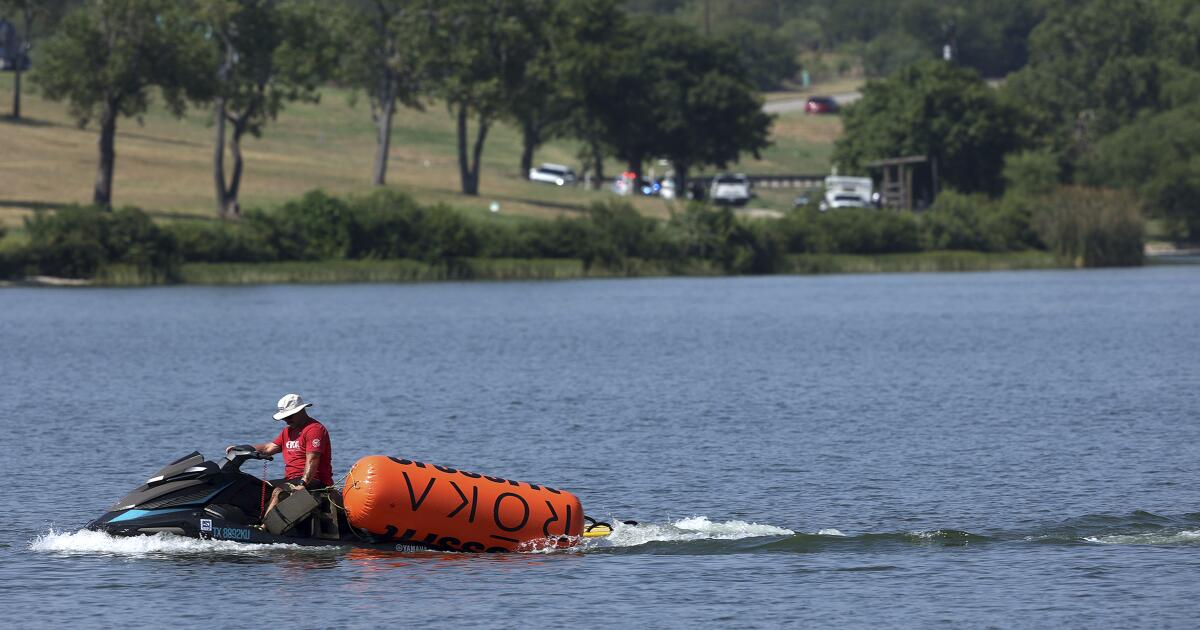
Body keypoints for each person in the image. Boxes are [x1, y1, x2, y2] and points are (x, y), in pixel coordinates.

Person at [227, 393, 334, 522]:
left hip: (314, 481)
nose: (286, 420)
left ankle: (264, 527)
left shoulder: (314, 429)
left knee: (278, 491)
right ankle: (248, 520)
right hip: (290, 479)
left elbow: (313, 459)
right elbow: (268, 449)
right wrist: (241, 448)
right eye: (285, 417)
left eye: (290, 416)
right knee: (256, 486)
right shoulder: (287, 431)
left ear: (301, 411)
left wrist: (302, 484)